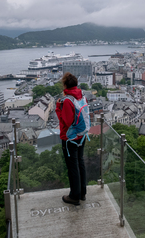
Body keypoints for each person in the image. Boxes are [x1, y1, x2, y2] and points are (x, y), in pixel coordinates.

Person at [55, 72, 87, 205]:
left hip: (70, 138)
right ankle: (82, 193)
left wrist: (58, 108)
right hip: (82, 135)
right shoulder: (80, 96)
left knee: (72, 166)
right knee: (80, 162)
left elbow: (67, 121)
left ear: (65, 85)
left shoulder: (67, 100)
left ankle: (74, 196)